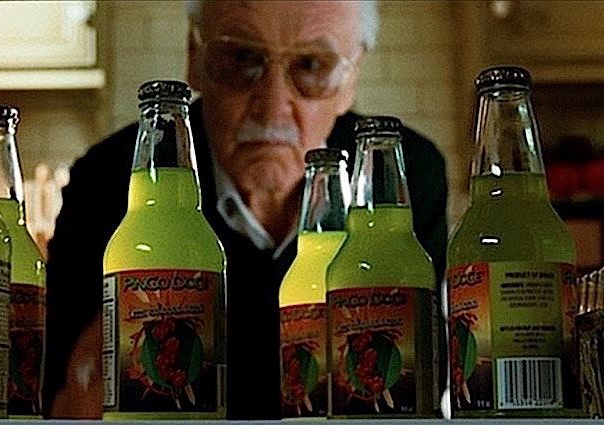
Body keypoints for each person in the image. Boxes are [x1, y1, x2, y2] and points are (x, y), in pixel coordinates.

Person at [44, 0, 448, 419]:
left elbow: (417, 384)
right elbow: (56, 394)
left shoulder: (397, 176)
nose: (272, 106)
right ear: (195, 58)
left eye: (310, 66)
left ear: (352, 77)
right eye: (241, 59)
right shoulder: (111, 180)